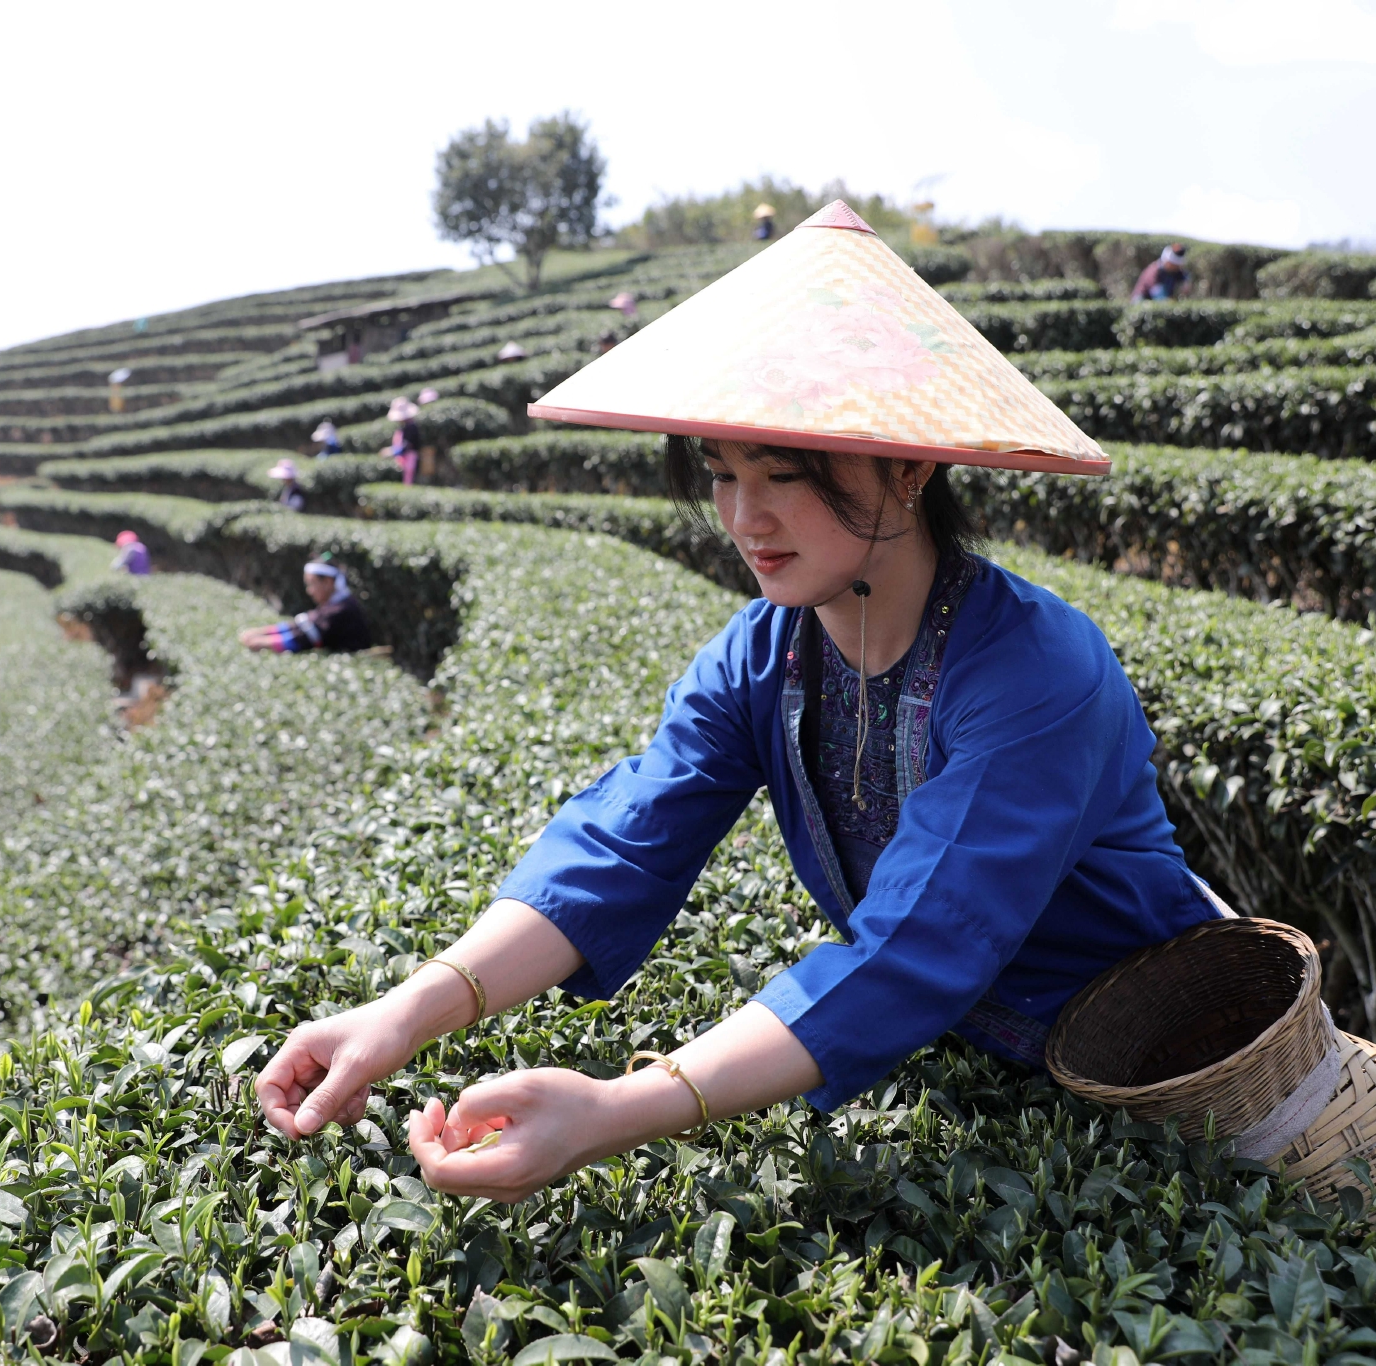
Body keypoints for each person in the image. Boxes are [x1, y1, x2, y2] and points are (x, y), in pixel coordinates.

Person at [256, 199, 1229, 1204]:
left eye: (782, 473)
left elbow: (917, 937)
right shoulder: (764, 653)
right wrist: (403, 1011)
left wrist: (618, 1108)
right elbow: (626, 837)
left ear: (907, 466)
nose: (742, 516)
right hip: (958, 1055)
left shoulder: (1033, 671)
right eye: (722, 472)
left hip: (1155, 1062)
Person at [237, 556, 374, 654]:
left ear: (327, 582)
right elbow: (300, 625)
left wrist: (262, 643)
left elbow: (302, 640)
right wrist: (260, 632)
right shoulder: (335, 604)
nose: (309, 591)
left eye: (312, 584)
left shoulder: (342, 609)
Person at [382, 397, 422, 485]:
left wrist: (392, 451)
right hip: (405, 458)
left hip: (411, 458)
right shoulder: (405, 426)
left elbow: (407, 445)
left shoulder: (411, 427)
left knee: (409, 482)